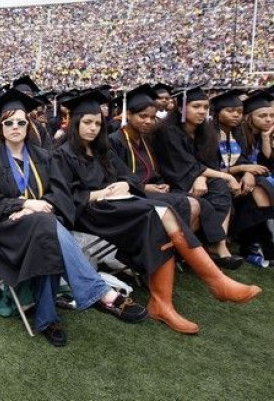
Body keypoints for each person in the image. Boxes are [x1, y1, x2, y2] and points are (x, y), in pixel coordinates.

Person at [54, 89, 261, 335]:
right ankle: (210, 283)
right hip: (92, 213)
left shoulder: (103, 150)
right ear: (76, 122)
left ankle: (169, 300)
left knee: (162, 213)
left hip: (119, 205)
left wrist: (124, 184)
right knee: (159, 213)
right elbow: (64, 198)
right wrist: (101, 193)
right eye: (87, 122)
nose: (93, 128)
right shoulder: (61, 154)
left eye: (98, 123)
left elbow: (129, 178)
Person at [0, 90, 147, 346]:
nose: (16, 127)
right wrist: (24, 204)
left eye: (21, 121)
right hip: (8, 234)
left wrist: (42, 207)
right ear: (0, 125)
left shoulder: (44, 156)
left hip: (43, 228)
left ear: (29, 124)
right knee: (46, 226)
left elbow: (62, 194)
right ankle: (99, 293)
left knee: (45, 229)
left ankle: (47, 319)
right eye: (9, 122)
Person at [108, 85, 227, 251]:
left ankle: (198, 248)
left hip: (154, 190)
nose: (148, 121)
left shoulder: (146, 139)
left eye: (152, 117)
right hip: (132, 193)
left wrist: (161, 183)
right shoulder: (115, 141)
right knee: (190, 204)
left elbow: (156, 169)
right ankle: (166, 251)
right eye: (143, 116)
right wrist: (143, 186)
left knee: (201, 203)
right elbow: (116, 175)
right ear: (128, 114)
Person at [152, 86, 244, 269]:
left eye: (205, 107)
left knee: (219, 188)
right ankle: (212, 246)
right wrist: (207, 176)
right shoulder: (169, 131)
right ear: (181, 108)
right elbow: (180, 165)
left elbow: (209, 163)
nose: (202, 111)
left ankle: (219, 247)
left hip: (194, 177)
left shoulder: (206, 132)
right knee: (217, 186)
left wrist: (202, 176)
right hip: (173, 180)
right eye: (196, 106)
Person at [214, 90, 274, 260]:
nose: (268, 119)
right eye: (262, 116)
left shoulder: (253, 135)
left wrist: (265, 139)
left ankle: (259, 245)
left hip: (244, 178)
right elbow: (218, 164)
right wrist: (246, 170)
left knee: (262, 184)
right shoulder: (229, 135)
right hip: (223, 179)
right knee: (260, 187)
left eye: (271, 115)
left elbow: (265, 165)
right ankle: (256, 246)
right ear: (249, 117)